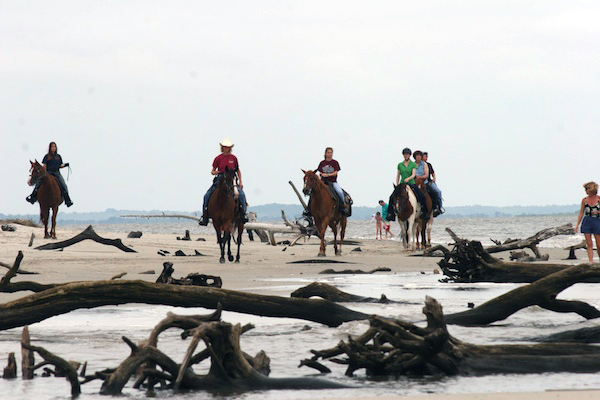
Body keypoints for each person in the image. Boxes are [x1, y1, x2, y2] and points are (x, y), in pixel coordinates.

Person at [198, 138, 247, 226]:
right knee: (207, 195)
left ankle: (243, 214)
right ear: (222, 147)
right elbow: (212, 171)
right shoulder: (218, 158)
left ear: (230, 148)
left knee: (241, 195)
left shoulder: (234, 158)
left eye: (228, 147)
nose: (226, 148)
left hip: (232, 179)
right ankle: (204, 216)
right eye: (224, 147)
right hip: (220, 179)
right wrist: (217, 172)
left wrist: (240, 181)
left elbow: (238, 170)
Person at [26, 141, 73, 207]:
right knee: (38, 183)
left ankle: (68, 200)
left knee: (64, 185)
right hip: (49, 173)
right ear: (50, 148)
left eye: (54, 147)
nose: (53, 148)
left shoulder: (58, 157)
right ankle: (32, 197)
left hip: (57, 173)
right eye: (52, 147)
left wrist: (65, 165)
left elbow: (60, 166)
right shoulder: (46, 156)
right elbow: (44, 166)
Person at [387, 148, 428, 221]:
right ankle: (391, 214)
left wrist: (408, 179)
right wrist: (397, 184)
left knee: (422, 196)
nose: (406, 156)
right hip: (402, 183)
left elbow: (413, 175)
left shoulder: (413, 164)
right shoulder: (400, 165)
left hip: (411, 183)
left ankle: (424, 212)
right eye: (404, 154)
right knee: (391, 197)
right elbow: (398, 175)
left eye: (407, 154)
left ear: (409, 155)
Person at [307, 147, 349, 216]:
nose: (329, 154)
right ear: (325, 153)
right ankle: (308, 209)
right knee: (312, 192)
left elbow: (336, 172)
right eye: (328, 152)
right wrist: (322, 174)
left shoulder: (335, 162)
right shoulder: (322, 163)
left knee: (339, 192)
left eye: (331, 153)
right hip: (323, 182)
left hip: (333, 182)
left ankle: (343, 207)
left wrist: (328, 174)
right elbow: (320, 172)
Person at [575, 181, 600, 263]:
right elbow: (581, 212)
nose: (586, 191)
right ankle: (591, 261)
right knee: (589, 244)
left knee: (599, 244)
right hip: (587, 221)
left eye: (587, 189)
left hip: (597, 221)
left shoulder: (599, 199)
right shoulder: (584, 200)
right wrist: (577, 224)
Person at [423, 151, 444, 216]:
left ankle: (440, 207)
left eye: (427, 156)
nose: (426, 158)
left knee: (438, 191)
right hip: (419, 182)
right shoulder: (417, 165)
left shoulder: (429, 165)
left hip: (429, 182)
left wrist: (434, 178)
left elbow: (433, 172)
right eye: (425, 156)